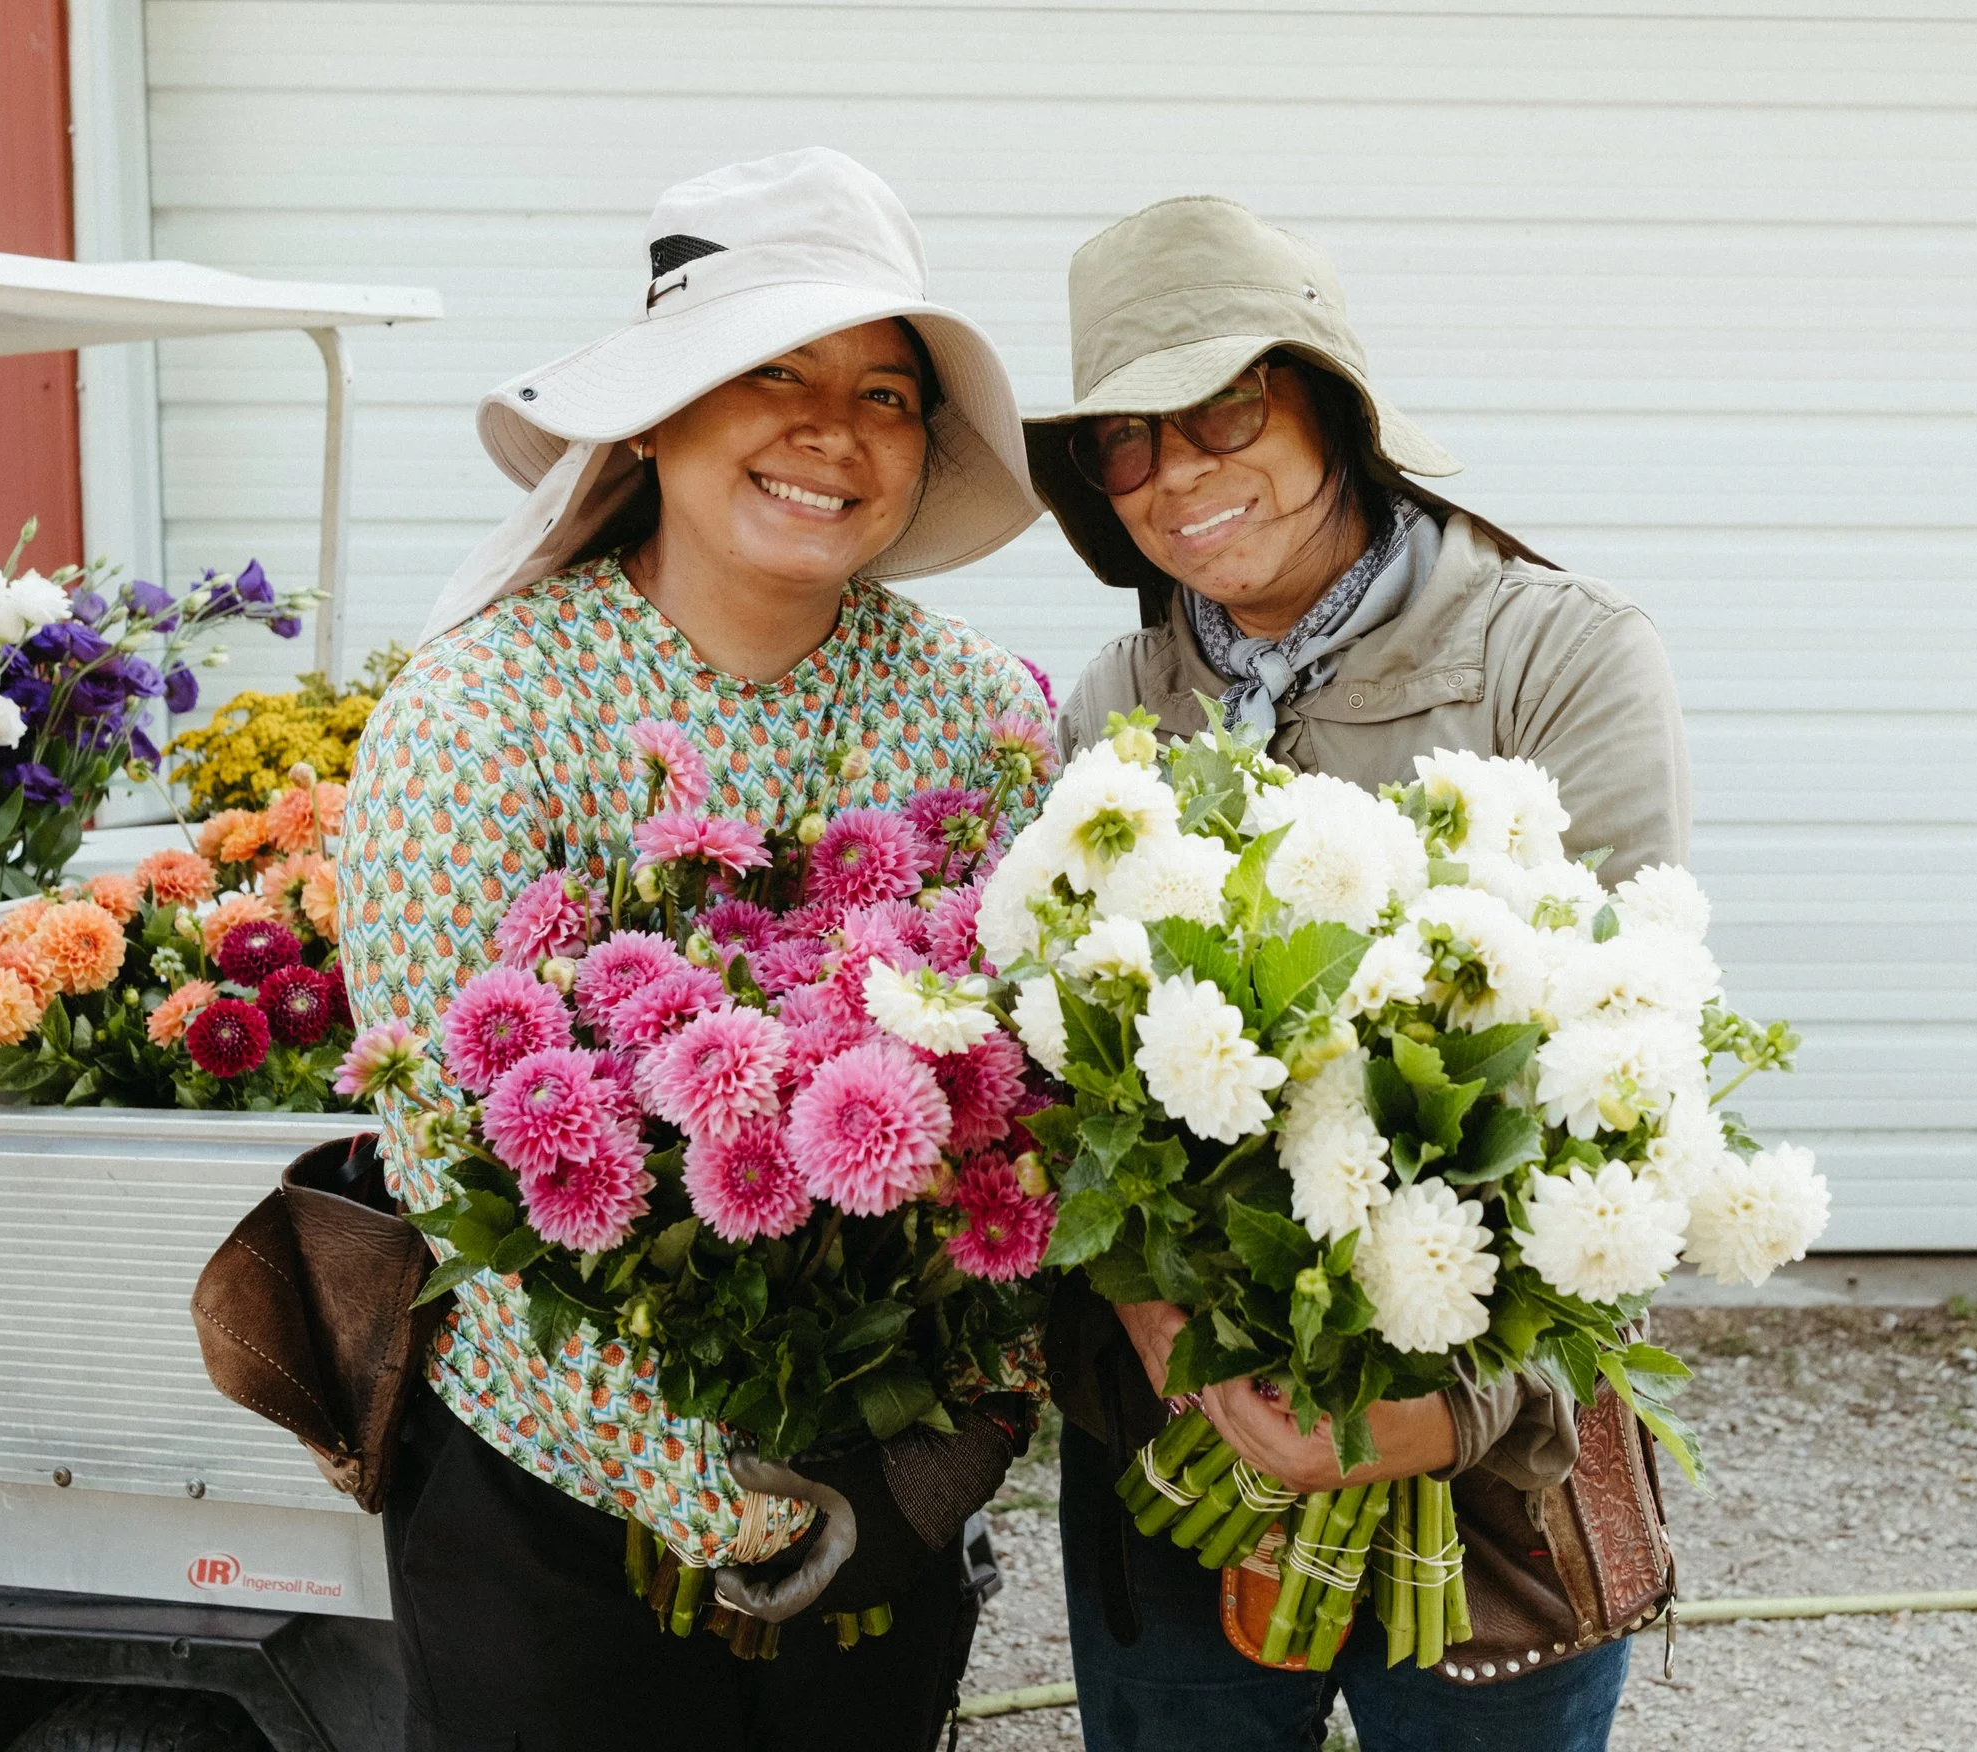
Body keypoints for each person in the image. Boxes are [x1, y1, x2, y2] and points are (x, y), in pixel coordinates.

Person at [338, 148, 1050, 1752]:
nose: (832, 429)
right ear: (655, 412)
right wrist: (726, 1504)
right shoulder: (483, 714)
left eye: (883, 391)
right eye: (771, 372)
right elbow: (461, 1171)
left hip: (884, 1479)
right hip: (551, 1507)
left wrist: (942, 1450)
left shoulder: (980, 716)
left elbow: (1040, 1111)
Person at [1023, 196, 1691, 1752]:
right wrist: (1160, 1338)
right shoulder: (1118, 703)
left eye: (1226, 411)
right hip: (1183, 1436)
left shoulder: (1560, 657)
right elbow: (1071, 1079)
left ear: (1334, 405)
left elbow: (1630, 1083)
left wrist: (1441, 1409)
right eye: (1126, 442)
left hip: (1490, 1475)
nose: (1180, 472)